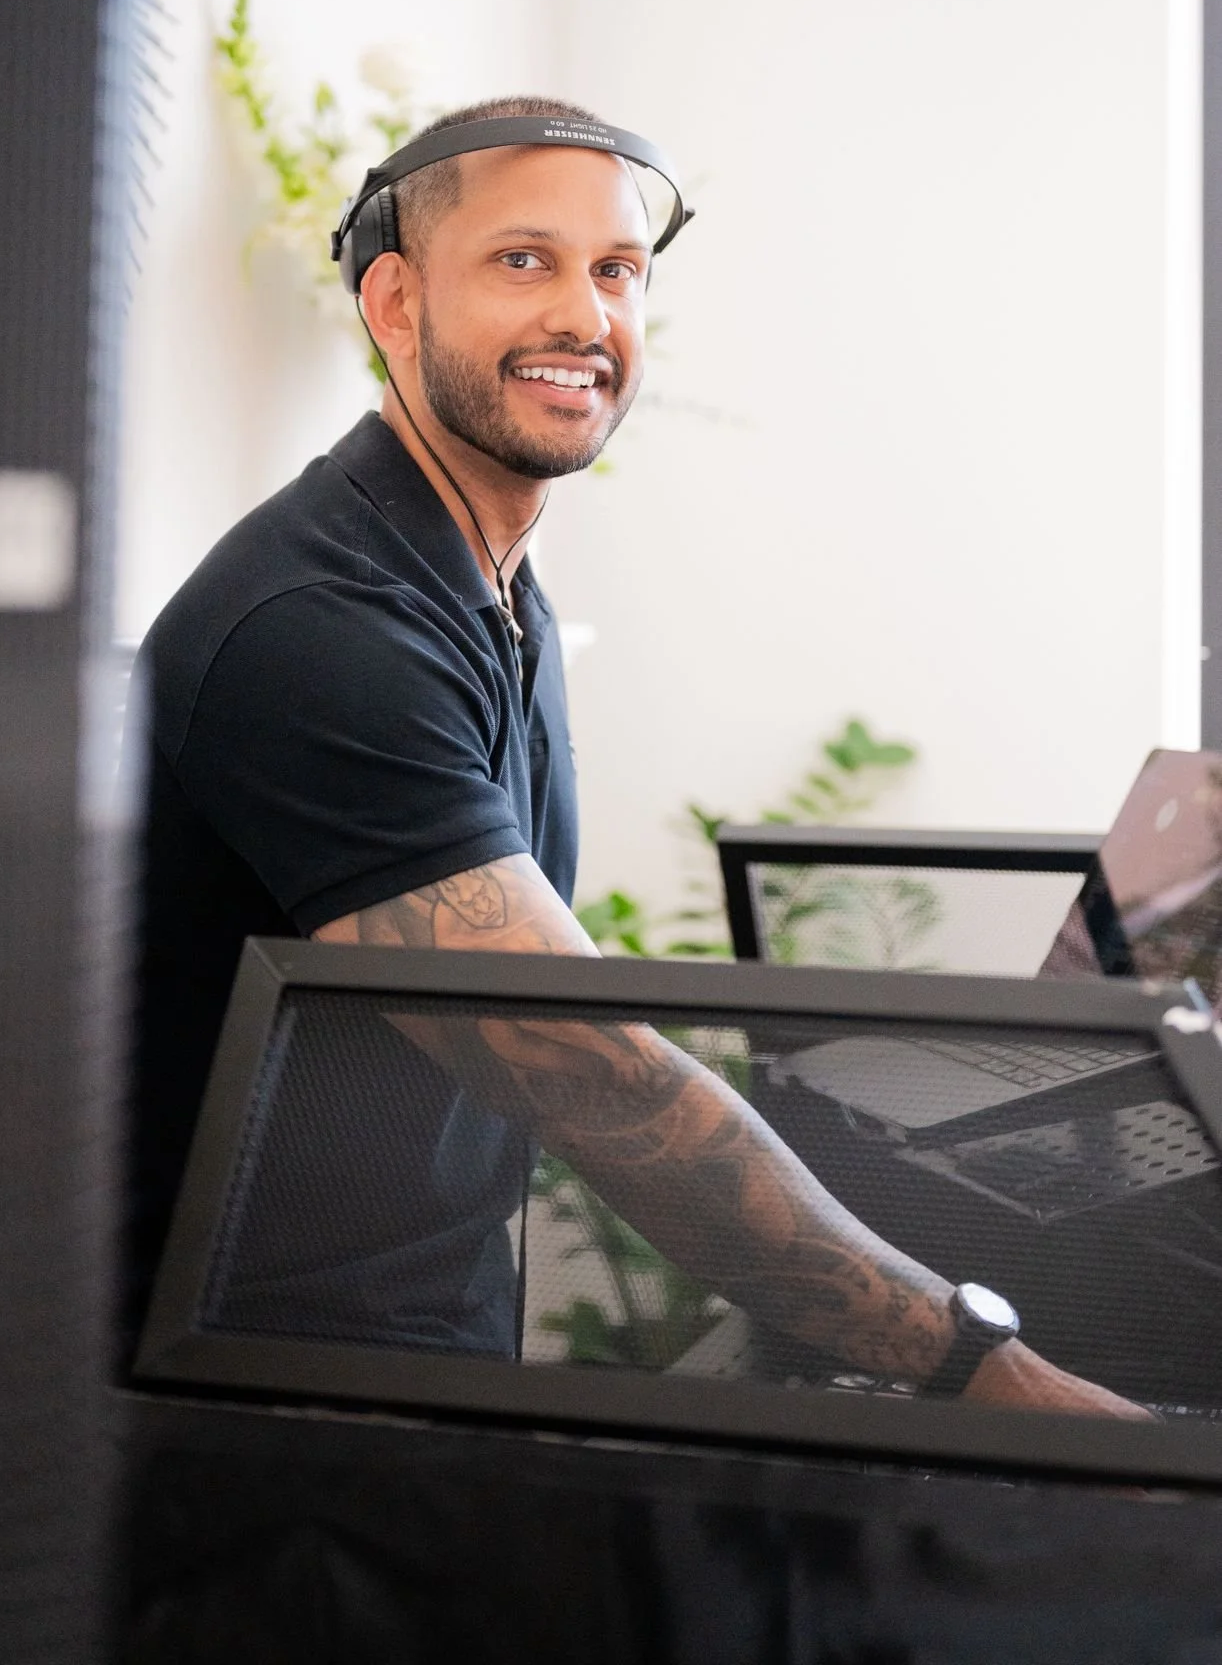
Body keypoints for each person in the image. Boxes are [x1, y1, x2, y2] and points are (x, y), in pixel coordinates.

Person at [129, 94, 1142, 1416]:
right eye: (520, 260)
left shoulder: (490, 582)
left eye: (616, 271)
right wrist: (986, 1370)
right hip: (254, 1406)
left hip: (408, 1354)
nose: (581, 315)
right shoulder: (318, 634)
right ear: (392, 304)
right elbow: (595, 1080)